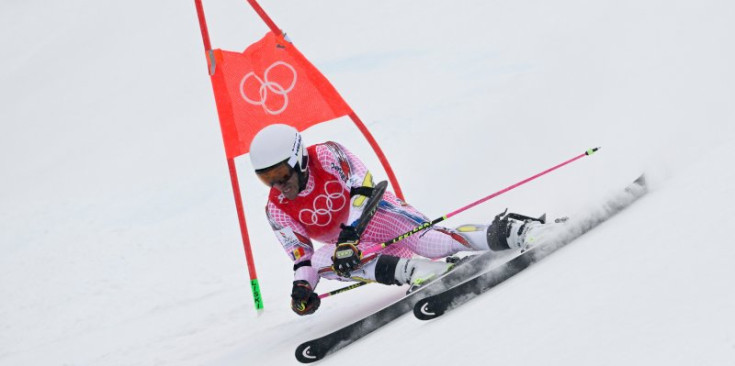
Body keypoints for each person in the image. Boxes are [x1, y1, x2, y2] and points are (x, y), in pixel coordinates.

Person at [250, 124, 544, 316]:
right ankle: (418, 272)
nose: (278, 185)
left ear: (299, 158)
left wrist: (350, 233)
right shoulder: (276, 209)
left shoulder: (327, 154)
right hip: (362, 252)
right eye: (267, 179)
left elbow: (363, 186)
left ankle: (517, 231)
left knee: (432, 242)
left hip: (381, 217)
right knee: (321, 263)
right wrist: (302, 289)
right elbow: (302, 257)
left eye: (281, 174)